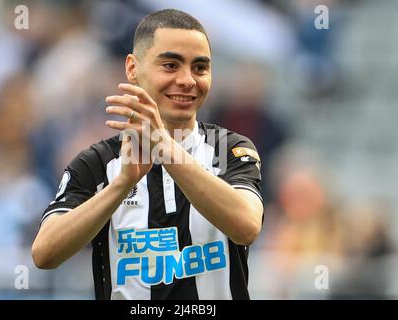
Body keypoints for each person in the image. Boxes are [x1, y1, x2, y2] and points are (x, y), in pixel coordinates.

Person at [32, 8, 264, 300]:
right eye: (170, 65)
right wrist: (120, 186)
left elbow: (247, 226)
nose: (188, 80)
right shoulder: (98, 163)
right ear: (133, 68)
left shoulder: (229, 149)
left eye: (200, 68)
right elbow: (44, 253)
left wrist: (165, 148)